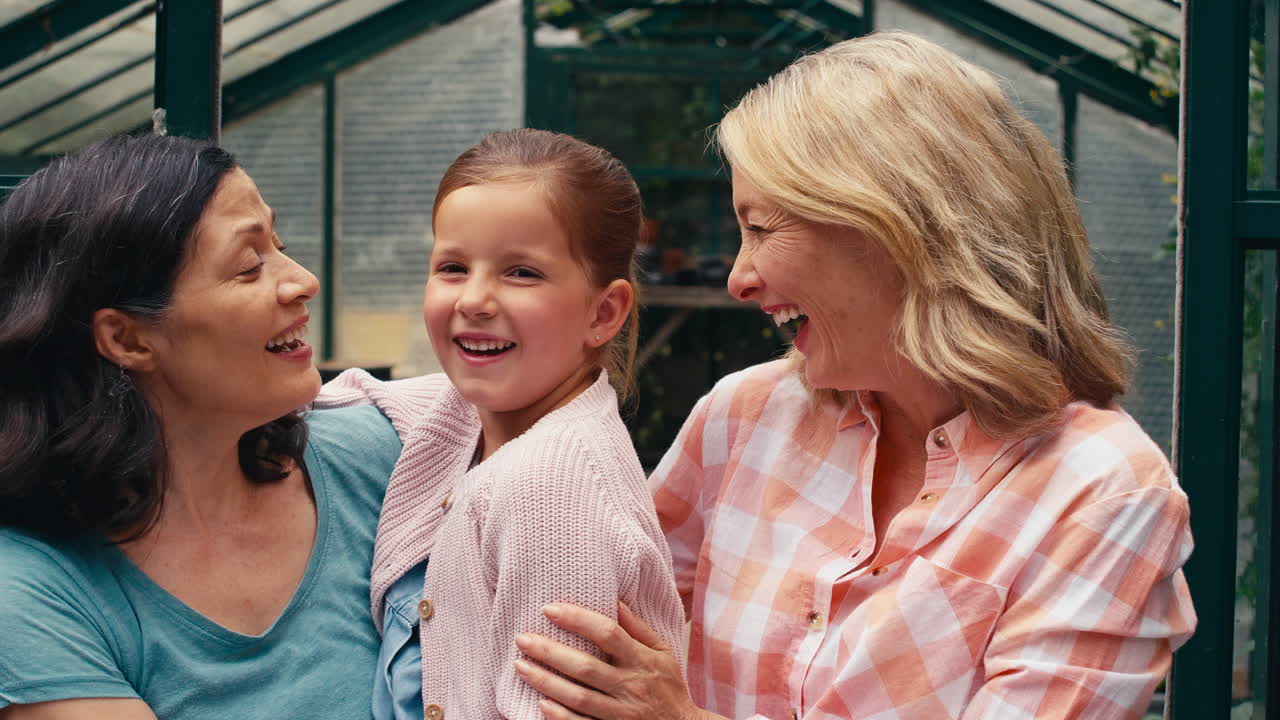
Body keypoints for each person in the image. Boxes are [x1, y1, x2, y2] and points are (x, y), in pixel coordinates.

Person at [510, 31, 1197, 719]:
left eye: (762, 228)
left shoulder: (1104, 492)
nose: (738, 279)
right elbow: (567, 620)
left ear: (899, 227)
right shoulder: (742, 418)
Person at [0, 134, 402, 719]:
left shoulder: (383, 459)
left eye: (280, 244)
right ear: (127, 338)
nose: (303, 281)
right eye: (248, 266)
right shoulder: (31, 590)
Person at [314, 128, 686, 719]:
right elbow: (370, 392)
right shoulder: (472, 415)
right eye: (453, 266)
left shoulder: (549, 488)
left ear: (604, 311)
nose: (475, 300)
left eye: (522, 273)